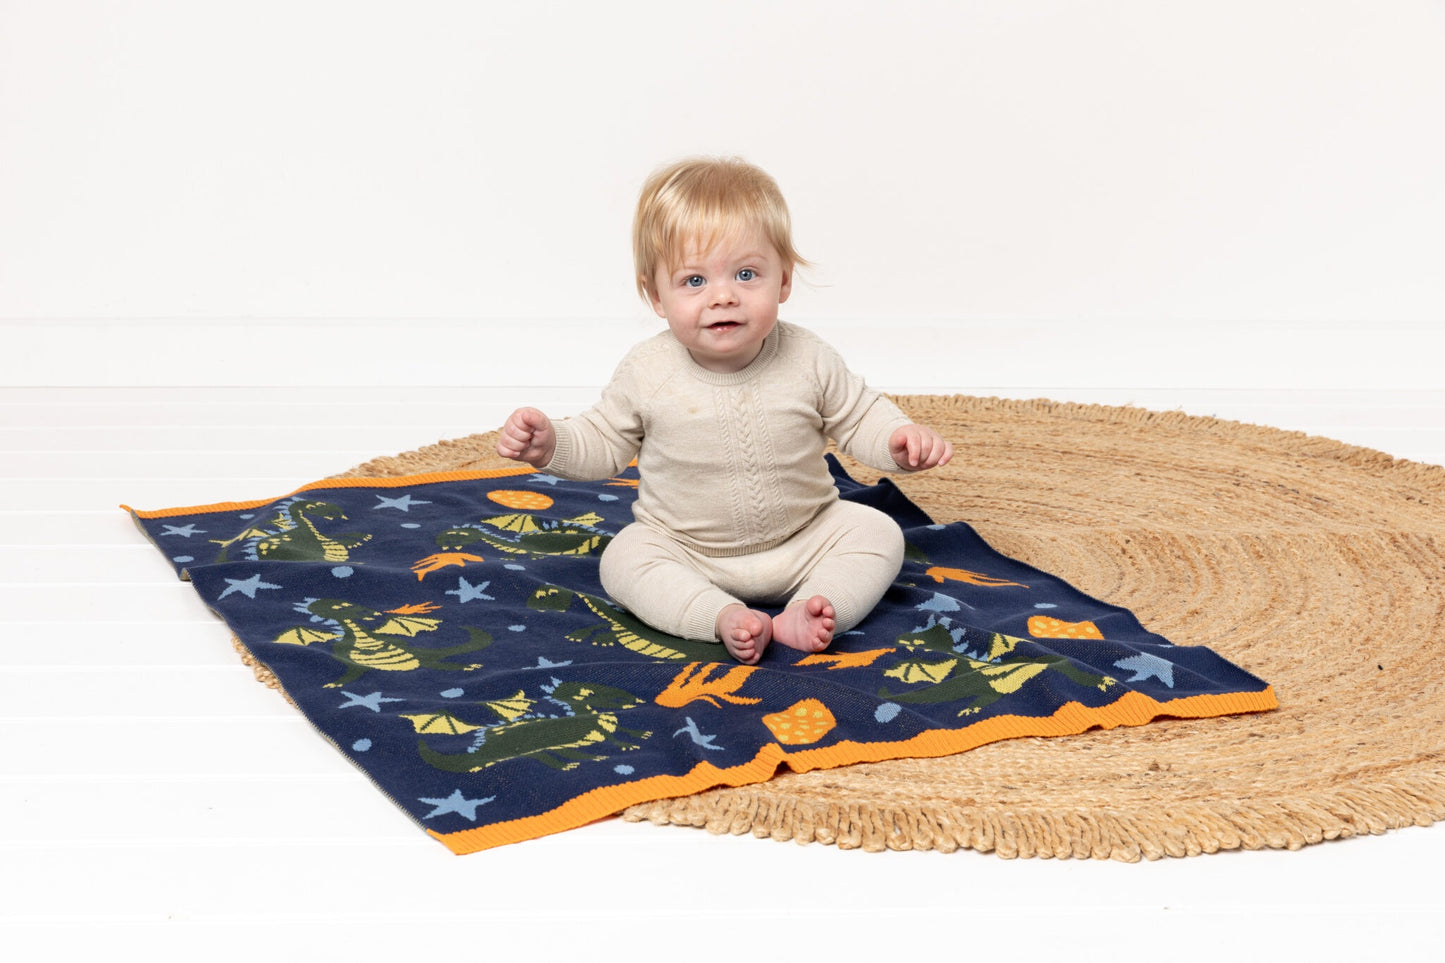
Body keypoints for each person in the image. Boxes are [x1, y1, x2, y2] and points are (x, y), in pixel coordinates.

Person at [498, 157, 952, 664]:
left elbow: (860, 415)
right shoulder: (648, 371)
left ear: (784, 282)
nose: (723, 296)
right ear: (656, 296)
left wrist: (897, 440)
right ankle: (721, 616)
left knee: (877, 532)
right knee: (625, 558)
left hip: (806, 536)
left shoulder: (808, 358)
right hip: (686, 550)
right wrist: (551, 444)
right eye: (694, 281)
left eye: (746, 274)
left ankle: (811, 610)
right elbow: (603, 440)